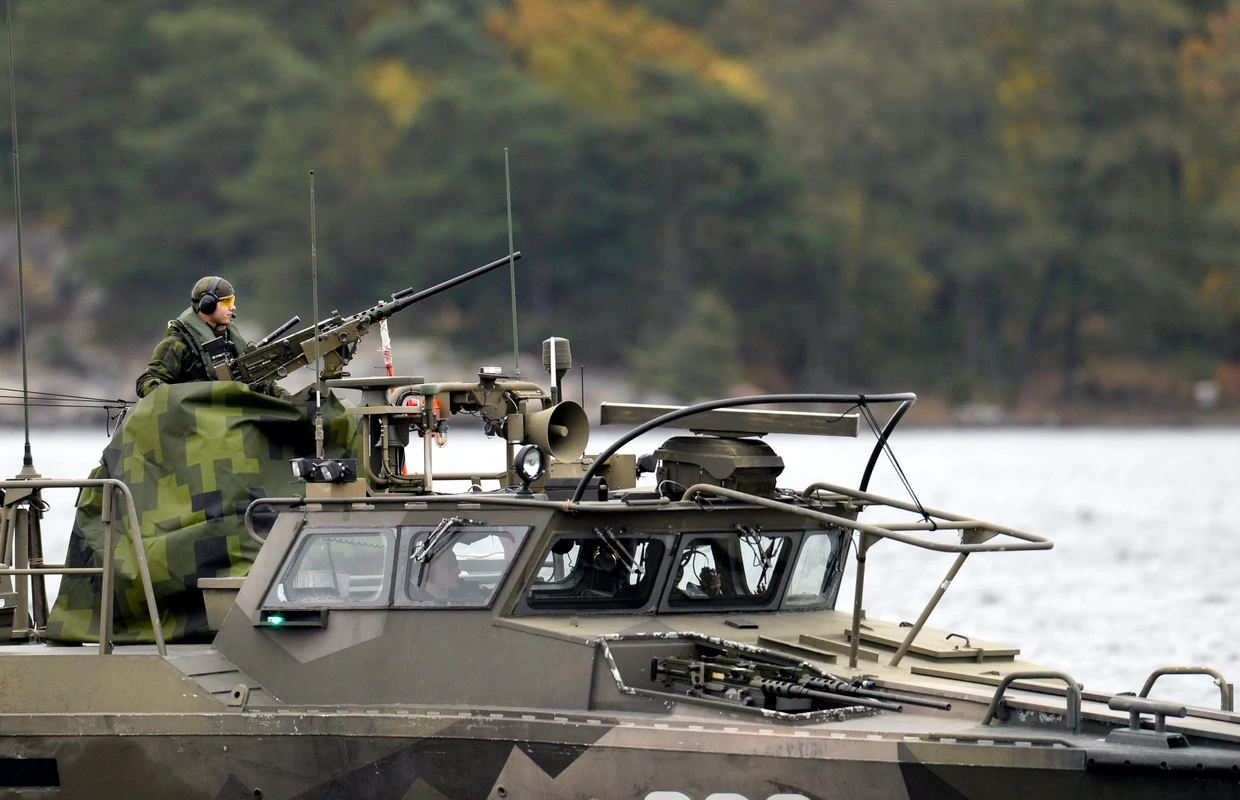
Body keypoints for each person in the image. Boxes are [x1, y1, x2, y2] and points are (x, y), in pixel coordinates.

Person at [135, 276, 286, 399]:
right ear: (207, 305)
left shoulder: (230, 341)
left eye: (232, 301)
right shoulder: (177, 344)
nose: (233, 307)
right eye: (226, 302)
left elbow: (263, 380)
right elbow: (146, 382)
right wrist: (185, 399)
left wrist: (295, 404)